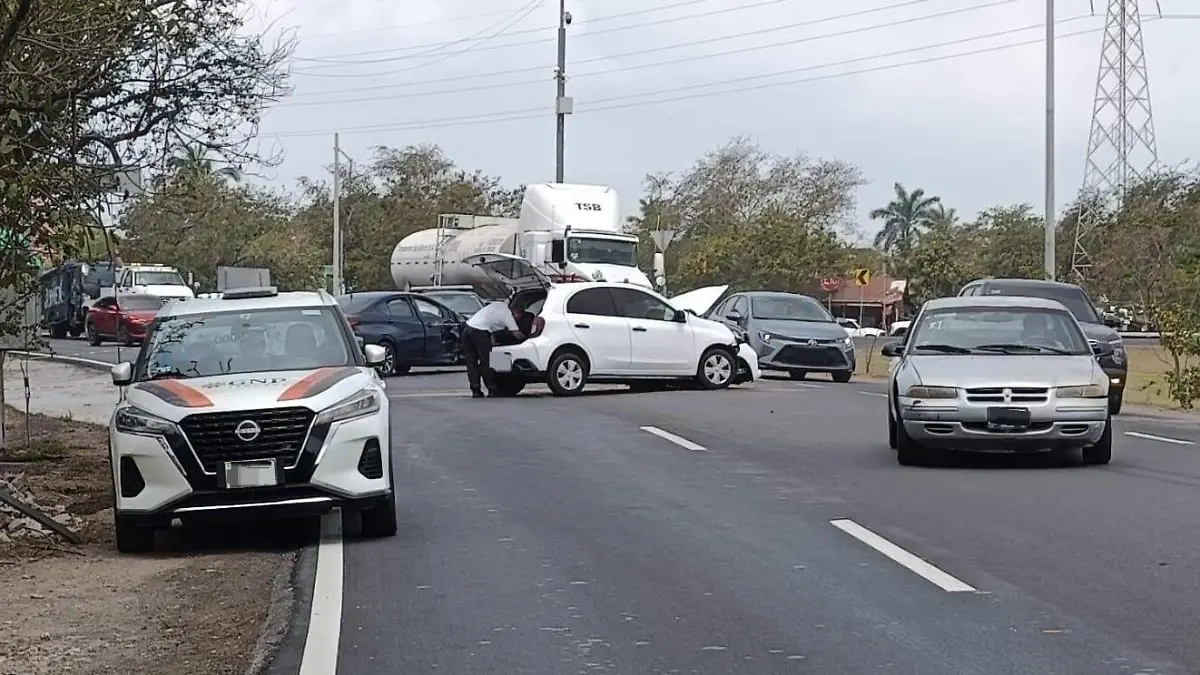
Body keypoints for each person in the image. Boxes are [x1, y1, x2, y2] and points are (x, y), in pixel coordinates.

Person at [462, 300, 524, 398]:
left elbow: (491, 323)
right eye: (518, 315)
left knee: (471, 362)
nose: (518, 317)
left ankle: (476, 390)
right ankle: (492, 389)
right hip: (480, 331)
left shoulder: (499, 305)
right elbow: (516, 333)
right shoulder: (507, 315)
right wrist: (526, 338)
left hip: (468, 328)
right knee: (488, 360)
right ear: (515, 311)